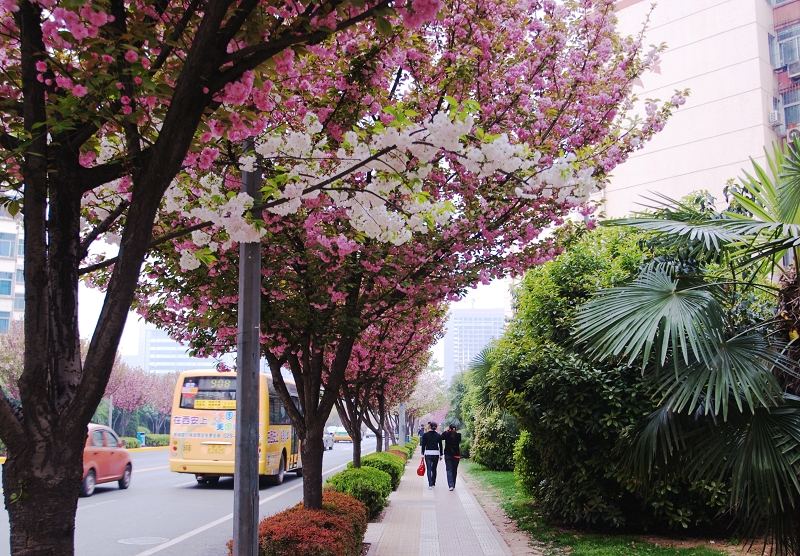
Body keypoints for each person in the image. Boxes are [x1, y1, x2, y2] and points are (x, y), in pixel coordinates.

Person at [419, 421, 442, 489]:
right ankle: (433, 483)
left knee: (429, 469)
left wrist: (422, 454)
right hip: (436, 453)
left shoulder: (425, 435)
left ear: (430, 427)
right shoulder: (438, 435)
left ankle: (430, 484)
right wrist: (441, 455)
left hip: (428, 453)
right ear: (436, 427)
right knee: (434, 469)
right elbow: (440, 446)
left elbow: (423, 445)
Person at [441, 423, 462, 491]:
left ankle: (451, 485)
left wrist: (447, 431)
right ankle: (454, 484)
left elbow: (441, 437)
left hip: (448, 454)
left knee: (449, 469)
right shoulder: (458, 435)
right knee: (454, 470)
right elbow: (458, 440)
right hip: (456, 455)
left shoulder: (447, 434)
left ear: (449, 429)